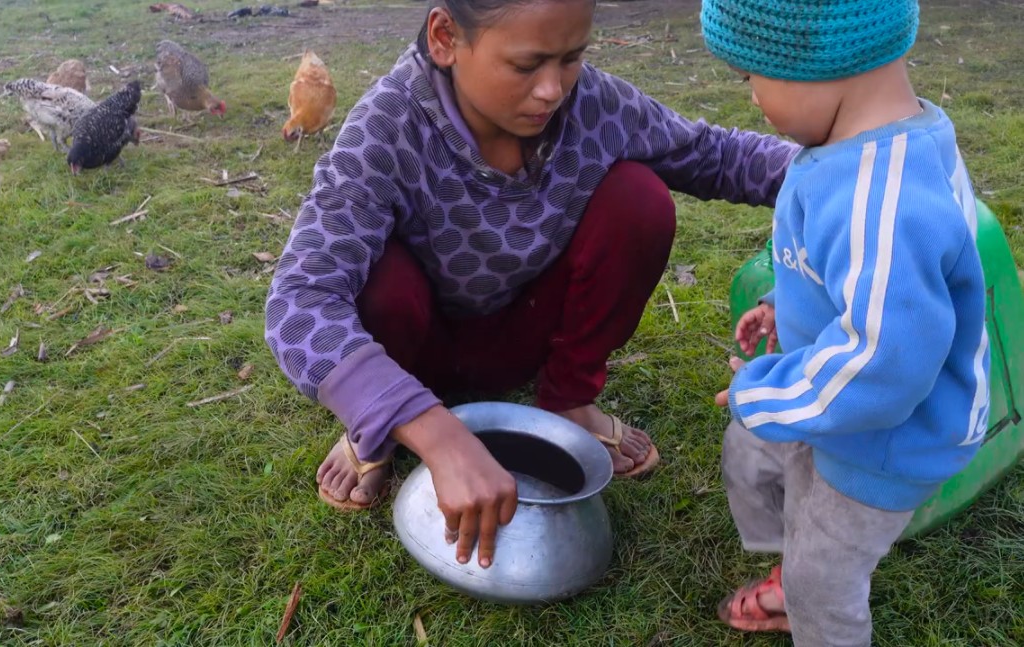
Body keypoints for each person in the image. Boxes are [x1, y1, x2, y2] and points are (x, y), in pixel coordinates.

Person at [265, 0, 795, 568]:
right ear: (445, 37)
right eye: (526, 65)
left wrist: (850, 164)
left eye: (571, 58)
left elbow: (710, 154)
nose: (552, 89)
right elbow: (299, 302)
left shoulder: (591, 103)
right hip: (412, 351)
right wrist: (439, 436)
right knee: (378, 279)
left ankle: (567, 402)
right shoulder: (389, 126)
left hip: (525, 334)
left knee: (638, 198)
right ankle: (382, 424)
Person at [703, 0, 991, 644]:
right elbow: (859, 277)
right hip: (849, 410)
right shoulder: (869, 147)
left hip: (888, 441)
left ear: (812, 56)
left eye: (751, 78)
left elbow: (882, 366)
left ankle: (807, 597)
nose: (752, 99)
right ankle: (794, 565)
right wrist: (785, 302)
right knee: (762, 466)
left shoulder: (886, 199)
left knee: (825, 585)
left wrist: (763, 392)